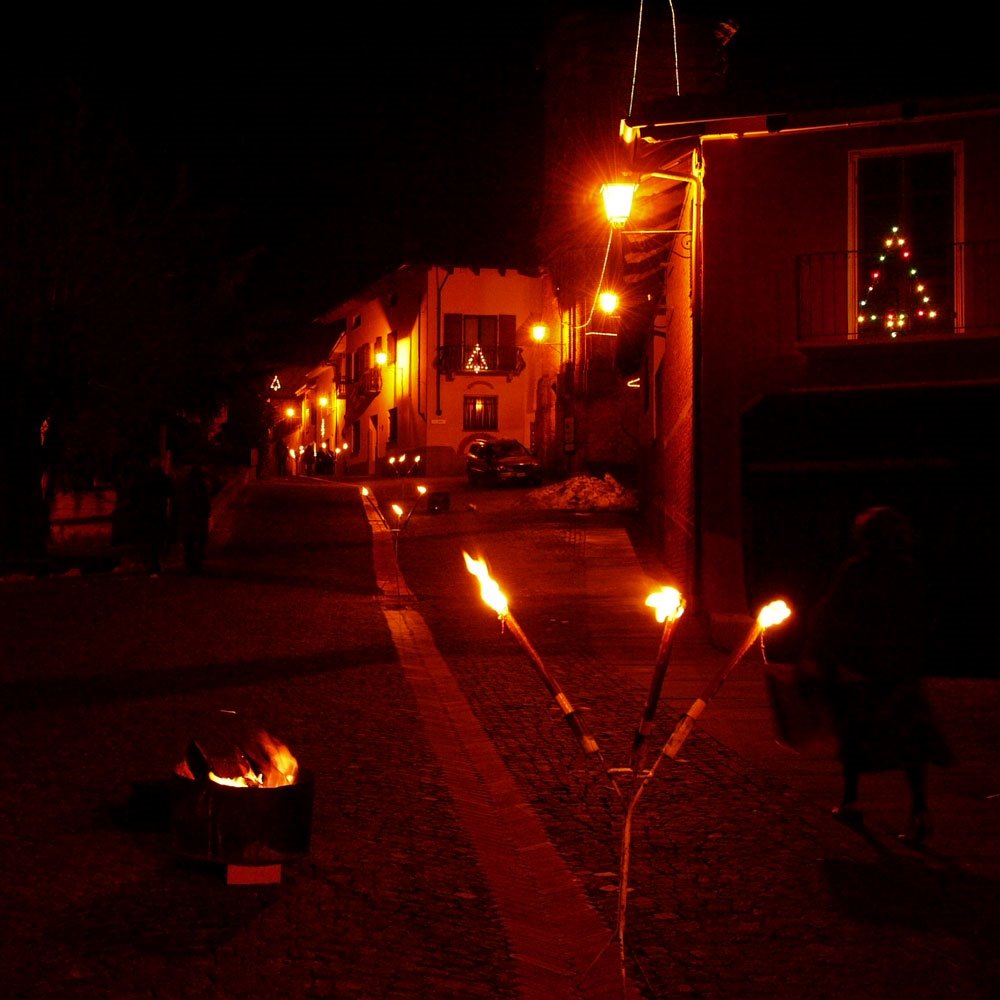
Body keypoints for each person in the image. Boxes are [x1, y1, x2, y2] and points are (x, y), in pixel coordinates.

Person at [805, 505, 953, 845]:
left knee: (856, 735)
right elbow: (920, 619)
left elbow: (831, 614)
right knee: (910, 741)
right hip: (898, 668)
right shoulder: (907, 572)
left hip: (860, 669)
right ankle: (919, 810)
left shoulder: (856, 571)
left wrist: (821, 654)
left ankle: (851, 800)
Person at [133, 454, 175, 576]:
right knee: (157, 539)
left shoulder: (144, 478)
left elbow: (137, 492)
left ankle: (150, 563)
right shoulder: (163, 478)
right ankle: (154, 563)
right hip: (158, 512)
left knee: (148, 539)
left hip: (147, 513)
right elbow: (171, 492)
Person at [173, 465, 212, 573]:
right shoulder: (202, 486)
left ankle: (190, 564)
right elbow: (205, 502)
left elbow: (179, 501)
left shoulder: (185, 485)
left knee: (189, 542)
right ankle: (196, 564)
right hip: (197, 516)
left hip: (189, 517)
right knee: (198, 541)